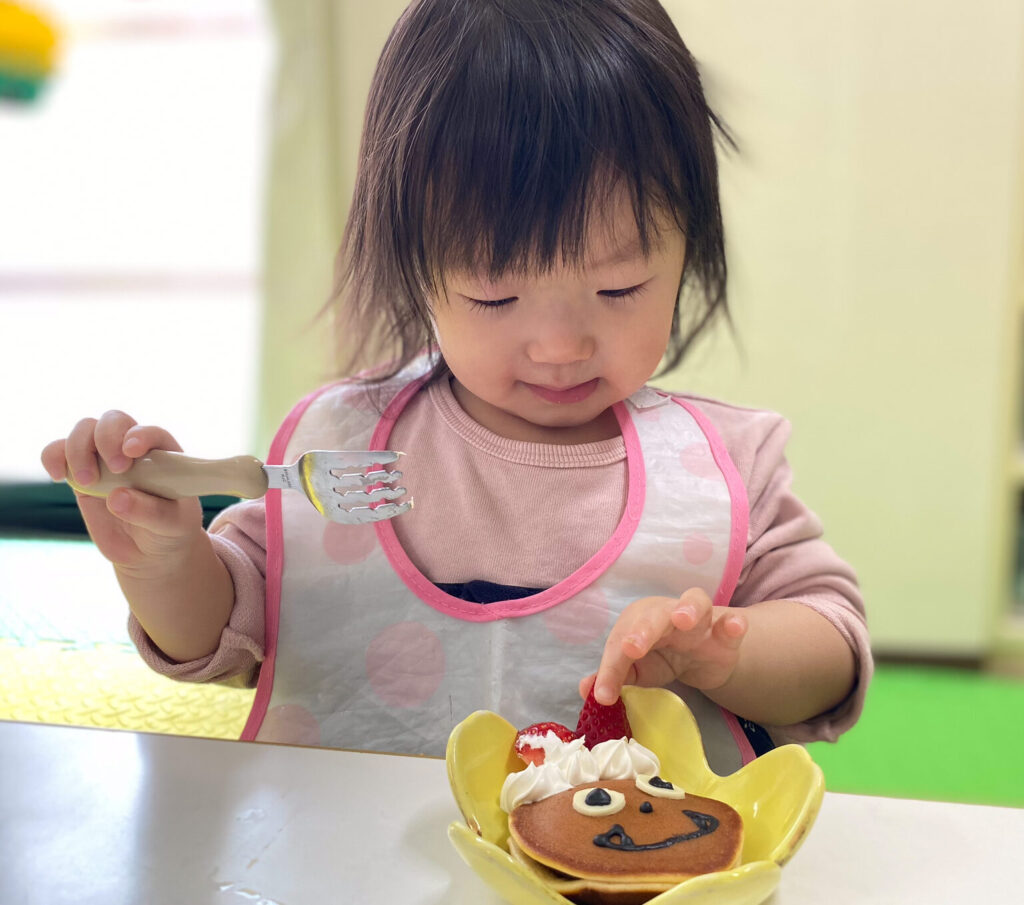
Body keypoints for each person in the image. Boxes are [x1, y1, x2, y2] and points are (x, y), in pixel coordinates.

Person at [41, 0, 869, 772]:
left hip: (625, 859)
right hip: (349, 856)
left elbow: (832, 649)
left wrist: (727, 650)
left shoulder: (720, 471)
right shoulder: (341, 450)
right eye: (495, 297)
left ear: (689, 247)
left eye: (619, 288)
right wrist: (165, 561)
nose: (560, 345)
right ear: (415, 267)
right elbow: (222, 636)